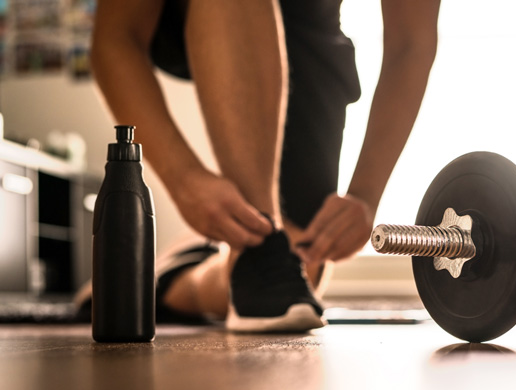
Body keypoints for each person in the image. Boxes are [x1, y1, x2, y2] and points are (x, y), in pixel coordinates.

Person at [87, 0, 440, 331]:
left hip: (308, 26)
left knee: (302, 263)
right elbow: (116, 37)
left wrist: (365, 194)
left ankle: (173, 275)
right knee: (270, 274)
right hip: (184, 15)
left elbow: (411, 41)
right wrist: (184, 179)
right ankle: (258, 247)